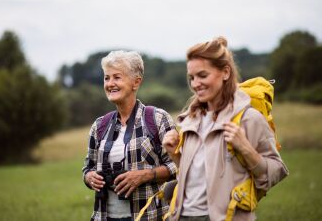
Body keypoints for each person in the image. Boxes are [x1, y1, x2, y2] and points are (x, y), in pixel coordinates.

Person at [163, 37, 289, 221]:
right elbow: (198, 177)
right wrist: (174, 154)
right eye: (192, 77)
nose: (196, 83)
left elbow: (276, 171)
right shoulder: (191, 120)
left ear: (225, 72)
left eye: (202, 75)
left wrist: (246, 148)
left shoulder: (249, 118)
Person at [82, 50, 177, 221]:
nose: (110, 83)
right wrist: (90, 177)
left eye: (117, 77)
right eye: (107, 78)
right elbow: (88, 167)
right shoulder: (99, 125)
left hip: (149, 216)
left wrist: (144, 175)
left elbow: (178, 166)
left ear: (136, 82)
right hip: (104, 216)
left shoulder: (157, 119)